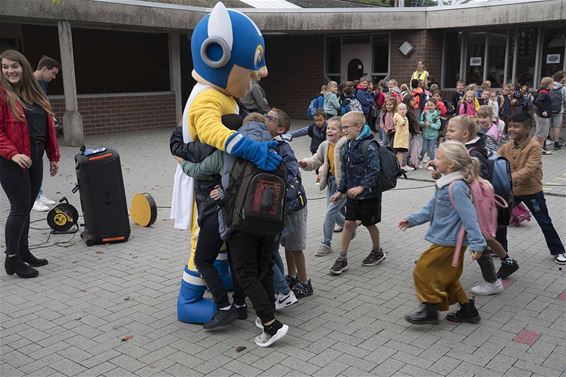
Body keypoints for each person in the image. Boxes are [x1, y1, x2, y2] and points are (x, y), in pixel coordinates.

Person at [171, 120, 249, 330]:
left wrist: (182, 126)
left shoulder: (210, 148)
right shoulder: (248, 145)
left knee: (202, 259)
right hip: (240, 214)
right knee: (235, 259)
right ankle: (240, 304)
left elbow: (180, 152)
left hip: (215, 211)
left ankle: (224, 307)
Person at [401, 141, 485, 325]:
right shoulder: (445, 184)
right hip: (447, 239)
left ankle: (430, 309)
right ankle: (467, 310)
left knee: (422, 269)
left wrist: (478, 244)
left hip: (451, 241)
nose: (434, 160)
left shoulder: (457, 187)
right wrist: (412, 220)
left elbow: (470, 217)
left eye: (439, 158)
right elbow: (432, 206)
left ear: (451, 165)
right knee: (449, 277)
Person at [0, 49, 60, 278]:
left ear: (23, 67)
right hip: (12, 159)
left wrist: (53, 155)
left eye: (14, 66)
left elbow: (46, 127)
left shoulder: (35, 92)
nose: (9, 71)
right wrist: (13, 154)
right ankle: (12, 259)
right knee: (19, 207)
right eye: (5, 67)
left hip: (35, 154)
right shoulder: (2, 93)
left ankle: (24, 251)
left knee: (26, 206)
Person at [444, 115, 519, 288]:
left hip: (472, 202)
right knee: (482, 236)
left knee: (475, 238)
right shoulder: (464, 148)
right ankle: (507, 262)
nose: (447, 133)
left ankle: (491, 280)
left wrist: (458, 177)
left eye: (451, 130)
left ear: (465, 134)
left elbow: (481, 176)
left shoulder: (474, 152)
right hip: (468, 201)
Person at [498, 113, 566, 265]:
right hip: (511, 192)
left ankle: (558, 250)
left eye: (516, 126)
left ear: (527, 128)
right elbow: (496, 160)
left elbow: (530, 168)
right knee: (500, 221)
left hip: (532, 192)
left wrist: (508, 178)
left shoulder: (534, 146)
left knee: (544, 221)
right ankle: (500, 250)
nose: (511, 129)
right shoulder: (507, 146)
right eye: (510, 126)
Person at [329, 111, 385, 275]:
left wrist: (361, 187)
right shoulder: (347, 144)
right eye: (342, 127)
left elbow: (375, 171)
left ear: (358, 127)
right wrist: (341, 191)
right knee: (348, 223)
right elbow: (346, 171)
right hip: (352, 194)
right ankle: (342, 258)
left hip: (369, 194)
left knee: (369, 223)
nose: (343, 130)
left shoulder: (370, 145)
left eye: (346, 127)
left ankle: (377, 251)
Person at [266, 108, 313, 299]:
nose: (265, 119)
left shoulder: (283, 147)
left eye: (270, 118)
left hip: (295, 205)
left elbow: (293, 172)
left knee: (295, 246)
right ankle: (292, 276)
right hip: (284, 206)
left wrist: (283, 190)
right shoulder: (269, 144)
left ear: (280, 129)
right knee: (287, 244)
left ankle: (304, 282)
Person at [299, 116, 347, 257]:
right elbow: (317, 160)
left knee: (330, 212)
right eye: (328, 128)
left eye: (333, 128)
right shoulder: (325, 145)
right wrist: (306, 163)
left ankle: (325, 244)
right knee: (331, 211)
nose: (329, 131)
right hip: (331, 182)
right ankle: (350, 224)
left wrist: (346, 187)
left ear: (342, 131)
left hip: (343, 184)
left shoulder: (346, 146)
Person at [31, 55, 60, 212]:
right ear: (43, 69)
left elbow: (43, 103)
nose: (54, 77)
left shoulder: (42, 84)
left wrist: (51, 117)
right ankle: (34, 199)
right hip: (31, 132)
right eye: (53, 73)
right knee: (33, 164)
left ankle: (39, 194)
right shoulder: (28, 83)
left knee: (38, 163)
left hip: (40, 130)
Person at [418, 98, 441, 169]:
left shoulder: (436, 115)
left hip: (433, 135)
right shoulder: (424, 113)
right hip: (425, 134)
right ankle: (420, 161)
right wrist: (424, 123)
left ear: (435, 106)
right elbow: (420, 121)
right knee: (423, 149)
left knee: (431, 150)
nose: (430, 107)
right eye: (428, 105)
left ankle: (432, 163)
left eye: (431, 105)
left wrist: (431, 124)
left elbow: (438, 126)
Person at [533, 77, 554, 155]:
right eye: (552, 84)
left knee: (544, 134)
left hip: (544, 116)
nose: (553, 85)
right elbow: (538, 102)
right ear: (548, 85)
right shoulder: (543, 92)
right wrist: (543, 111)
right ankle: (530, 149)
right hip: (541, 116)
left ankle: (540, 149)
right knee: (539, 133)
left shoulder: (545, 91)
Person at [550, 71, 565, 151]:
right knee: (557, 127)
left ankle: (544, 144)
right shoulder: (563, 88)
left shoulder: (550, 85)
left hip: (548, 109)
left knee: (547, 126)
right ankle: (556, 144)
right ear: (562, 78)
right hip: (559, 110)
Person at [393, 103, 410, 172]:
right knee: (400, 154)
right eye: (400, 109)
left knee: (400, 154)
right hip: (400, 140)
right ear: (397, 110)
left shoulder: (405, 117)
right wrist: (403, 122)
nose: (402, 111)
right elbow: (400, 122)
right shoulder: (398, 116)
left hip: (403, 140)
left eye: (404, 109)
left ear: (406, 110)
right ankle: (399, 167)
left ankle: (396, 166)